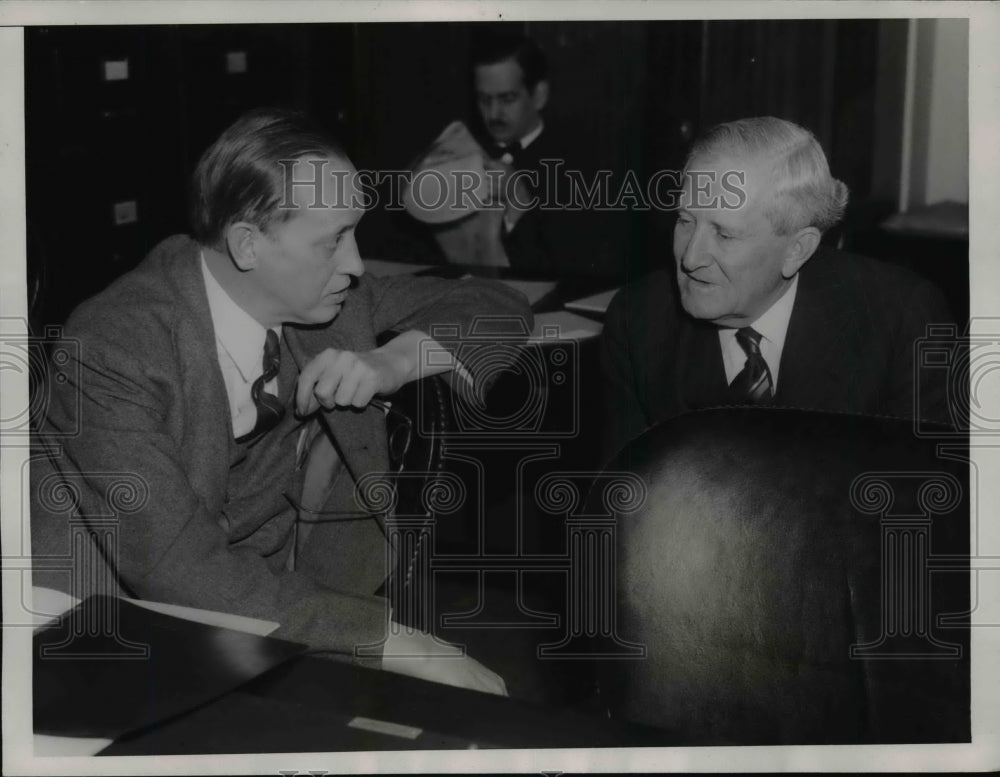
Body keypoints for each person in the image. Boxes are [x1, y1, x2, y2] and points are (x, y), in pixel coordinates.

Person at [30, 107, 533, 695]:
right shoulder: (111, 348)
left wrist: (391, 362)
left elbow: (500, 306)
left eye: (355, 232)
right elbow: (181, 571)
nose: (357, 263)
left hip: (280, 619)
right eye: (333, 241)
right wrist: (389, 640)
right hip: (106, 643)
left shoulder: (324, 301)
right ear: (248, 245)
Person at [600, 116, 956, 459]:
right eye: (685, 220)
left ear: (797, 249)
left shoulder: (901, 322)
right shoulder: (638, 321)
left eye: (724, 234)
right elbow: (622, 501)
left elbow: (922, 500)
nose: (690, 258)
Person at [404, 29, 589, 273]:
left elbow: (571, 269)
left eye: (507, 98)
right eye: (484, 99)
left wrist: (520, 200)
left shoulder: (575, 166)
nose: (493, 114)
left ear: (539, 96)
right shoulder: (461, 149)